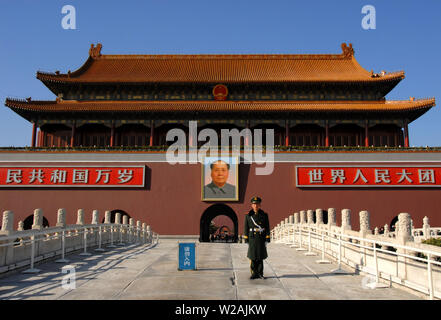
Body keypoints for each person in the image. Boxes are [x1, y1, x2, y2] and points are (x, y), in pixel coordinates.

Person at [243, 196, 270, 279]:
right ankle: (254, 273)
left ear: (260, 205)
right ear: (251, 205)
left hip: (261, 237)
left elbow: (267, 226)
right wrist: (246, 237)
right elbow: (246, 227)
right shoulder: (248, 215)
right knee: (253, 256)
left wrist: (267, 237)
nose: (256, 206)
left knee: (260, 256)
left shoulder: (264, 215)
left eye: (257, 204)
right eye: (254, 204)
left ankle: (260, 273)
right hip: (252, 238)